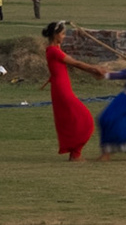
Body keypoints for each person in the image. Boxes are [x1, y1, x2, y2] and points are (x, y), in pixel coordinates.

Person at [42, 21, 106, 160]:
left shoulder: (55, 48)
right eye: (63, 33)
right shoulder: (53, 51)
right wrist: (93, 69)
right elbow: (75, 63)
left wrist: (62, 23)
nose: (64, 36)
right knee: (84, 118)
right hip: (61, 89)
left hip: (63, 86)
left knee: (74, 118)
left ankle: (75, 153)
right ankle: (75, 153)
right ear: (55, 35)